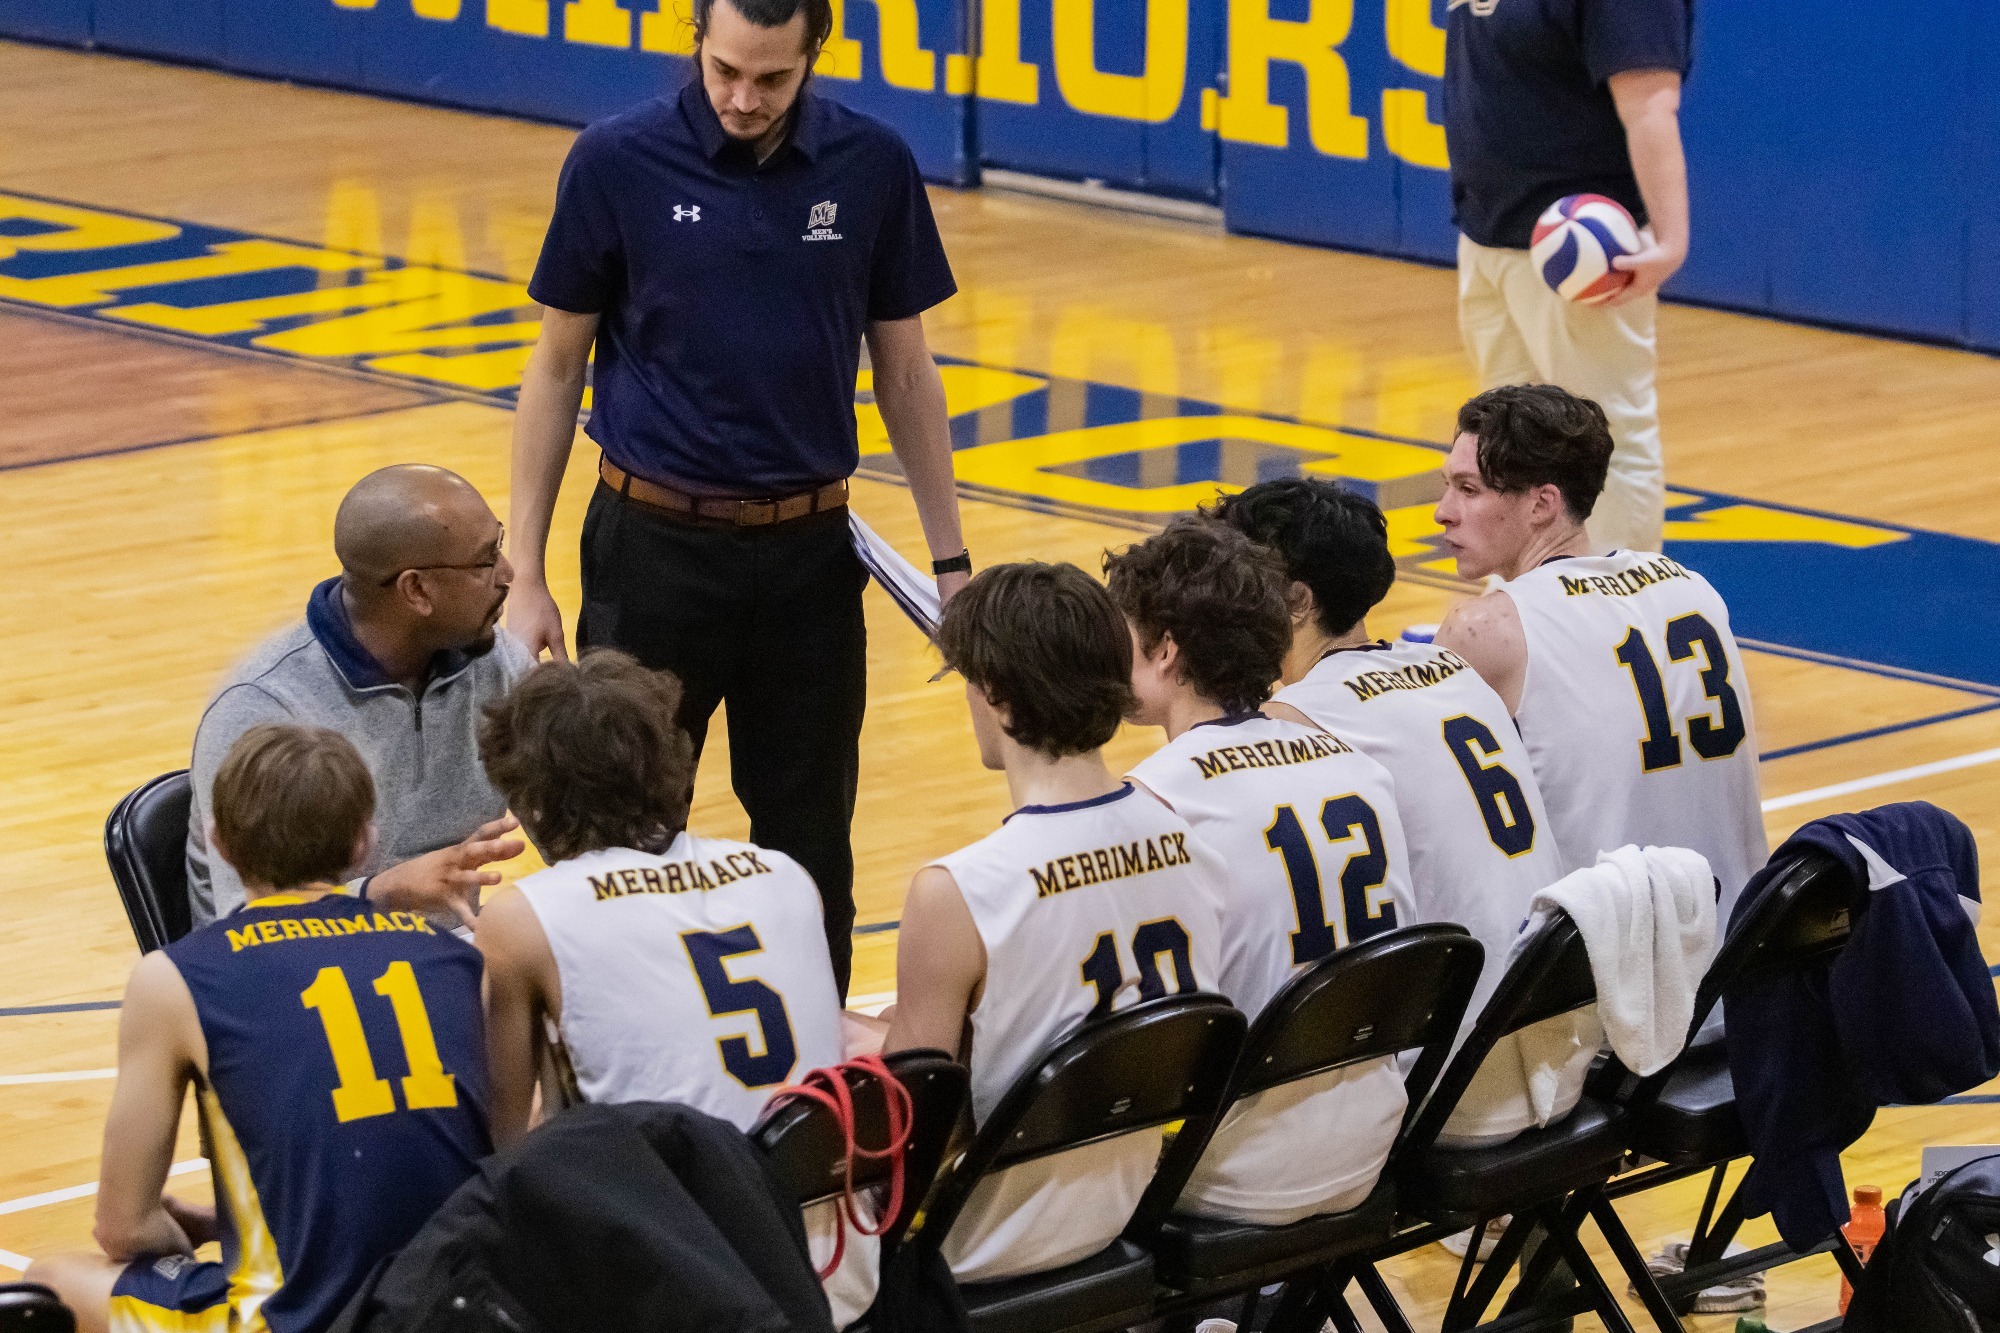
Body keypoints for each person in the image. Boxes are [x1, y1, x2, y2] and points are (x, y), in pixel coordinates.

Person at [509, 0, 969, 998]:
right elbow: (553, 369)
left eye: (770, 79)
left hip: (808, 559)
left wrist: (951, 565)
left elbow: (905, 373)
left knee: (810, 841)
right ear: (695, 45)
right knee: (616, 835)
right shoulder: (613, 161)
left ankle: (819, 1086)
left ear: (815, 56)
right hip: (649, 550)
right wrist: (524, 571)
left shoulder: (872, 165)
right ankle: (613, 1059)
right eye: (723, 72)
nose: (741, 98)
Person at [30, 725, 490, 1333]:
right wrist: (224, 1224)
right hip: (467, 1305)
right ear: (363, 845)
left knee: (51, 1282)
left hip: (302, 1319)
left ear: (217, 843)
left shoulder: (175, 977)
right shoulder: (458, 956)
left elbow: (122, 1226)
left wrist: (181, 1245)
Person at [472, 650, 874, 1325]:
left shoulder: (522, 919)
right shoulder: (781, 873)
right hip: (844, 1270)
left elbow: (509, 1149)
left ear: (533, 796)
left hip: (701, 1289)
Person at [882, 562, 1225, 1282]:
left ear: (997, 693)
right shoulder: (1193, 834)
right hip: (1134, 1204)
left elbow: (903, 1134)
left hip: (981, 1244)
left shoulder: (958, 892)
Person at [1213, 478, 1571, 1150]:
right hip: (1558, 1045)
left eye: (1234, 581)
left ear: (1296, 600)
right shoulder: (1453, 668)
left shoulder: (1297, 722)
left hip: (1452, 1078)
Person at [1106, 519, 1417, 1227]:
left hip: (1240, 1169)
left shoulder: (1158, 803)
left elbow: (1140, 1047)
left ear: (1165, 651)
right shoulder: (1357, 764)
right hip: (1373, 1139)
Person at [1433, 384, 1767, 923]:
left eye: (1468, 490)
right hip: (1739, 947)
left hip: (1606, 968)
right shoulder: (1691, 587)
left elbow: (1445, 834)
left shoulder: (1487, 629)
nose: (1443, 513)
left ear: (1543, 504)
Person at [187, 464, 529, 925]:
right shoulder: (263, 709)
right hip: (294, 970)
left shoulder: (502, 666)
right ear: (417, 589)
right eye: (486, 561)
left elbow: (583, 828)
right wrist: (381, 893)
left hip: (445, 961)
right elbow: (249, 922)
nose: (508, 574)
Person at [1444, 0, 1692, 553]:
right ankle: (1517, 613)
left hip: (1576, 251)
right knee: (1500, 440)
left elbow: (1650, 104)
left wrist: (1670, 240)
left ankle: (1615, 608)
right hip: (1487, 231)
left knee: (1605, 439)